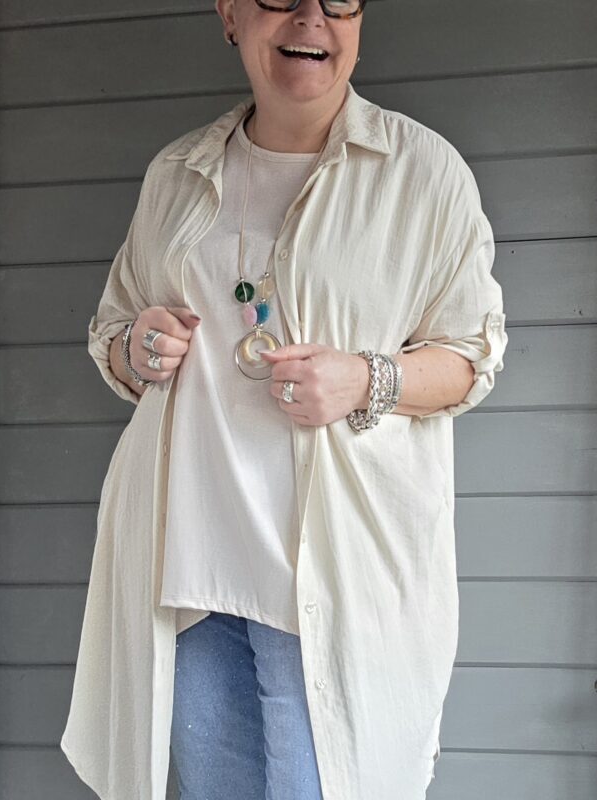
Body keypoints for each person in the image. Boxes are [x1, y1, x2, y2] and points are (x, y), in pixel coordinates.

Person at [60, 1, 509, 798]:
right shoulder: (177, 174)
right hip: (190, 572)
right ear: (232, 15)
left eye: (339, 1)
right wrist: (138, 345)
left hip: (334, 577)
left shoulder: (421, 172)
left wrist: (365, 378)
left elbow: (472, 359)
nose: (312, 18)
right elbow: (115, 330)